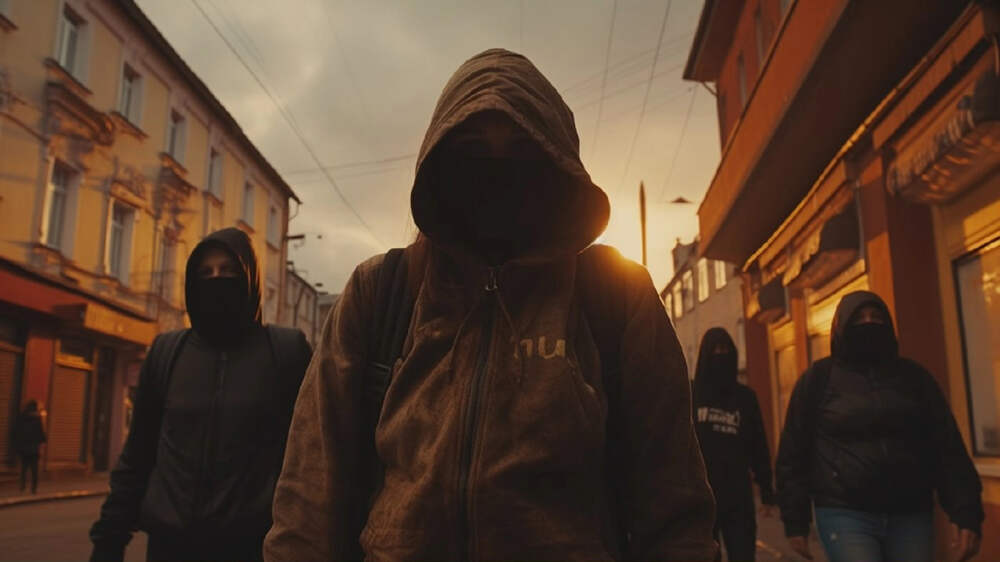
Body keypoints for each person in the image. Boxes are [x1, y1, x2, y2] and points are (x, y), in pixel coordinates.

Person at [264, 48, 716, 561]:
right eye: (472, 150)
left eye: (522, 151)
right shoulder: (380, 294)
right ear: (438, 165)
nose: (496, 174)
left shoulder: (615, 297)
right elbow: (308, 500)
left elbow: (676, 513)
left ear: (557, 165)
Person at [89, 228, 312, 561]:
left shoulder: (286, 351)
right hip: (170, 547)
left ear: (249, 277)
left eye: (228, 270)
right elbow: (138, 454)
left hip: (253, 548)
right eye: (205, 273)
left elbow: (310, 458)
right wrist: (109, 539)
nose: (216, 280)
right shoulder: (167, 352)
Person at [776, 291, 983, 562]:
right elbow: (793, 453)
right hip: (845, 512)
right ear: (841, 326)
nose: (868, 323)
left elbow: (947, 446)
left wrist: (966, 512)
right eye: (858, 318)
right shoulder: (818, 379)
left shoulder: (914, 378)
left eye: (876, 317)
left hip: (911, 513)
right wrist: (795, 521)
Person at [692, 328, 775, 561]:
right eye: (715, 350)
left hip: (738, 497)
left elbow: (758, 445)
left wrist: (767, 491)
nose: (721, 355)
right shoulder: (691, 394)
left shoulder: (745, 397)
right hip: (701, 498)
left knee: (743, 554)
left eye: (726, 349)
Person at [12, 400, 46, 494]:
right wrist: (42, 441)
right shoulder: (37, 419)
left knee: (24, 468)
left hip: (23, 448)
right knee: (34, 469)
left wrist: (17, 445)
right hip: (33, 449)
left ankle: (22, 485)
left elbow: (15, 432)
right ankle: (33, 488)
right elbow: (41, 434)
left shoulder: (21, 417)